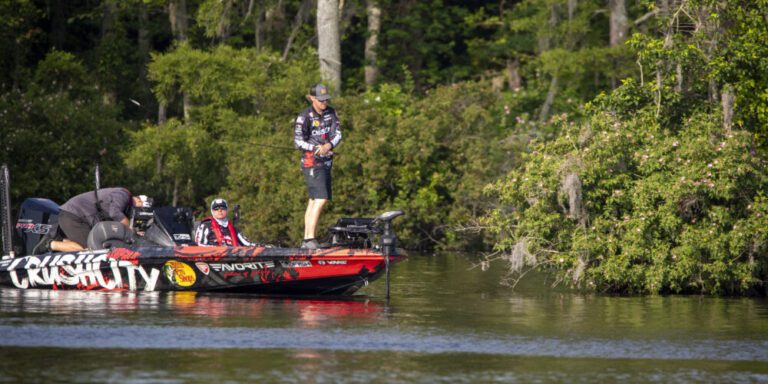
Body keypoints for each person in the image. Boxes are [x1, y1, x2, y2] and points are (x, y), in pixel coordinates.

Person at [294, 83, 342, 249]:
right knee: (321, 198)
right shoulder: (304, 117)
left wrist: (328, 146)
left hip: (327, 162)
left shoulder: (331, 112)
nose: (324, 103)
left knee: (314, 199)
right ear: (312, 98)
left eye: (326, 100)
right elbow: (298, 141)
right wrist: (316, 149)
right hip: (311, 162)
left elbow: (338, 134)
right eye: (321, 100)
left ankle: (307, 238)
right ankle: (309, 239)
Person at [35, 188, 147, 253]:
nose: (139, 208)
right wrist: (131, 230)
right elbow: (115, 213)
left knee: (95, 245)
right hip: (73, 215)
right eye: (140, 205)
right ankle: (50, 244)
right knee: (89, 248)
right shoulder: (123, 194)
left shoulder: (125, 204)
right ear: (138, 199)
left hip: (77, 217)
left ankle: (62, 240)